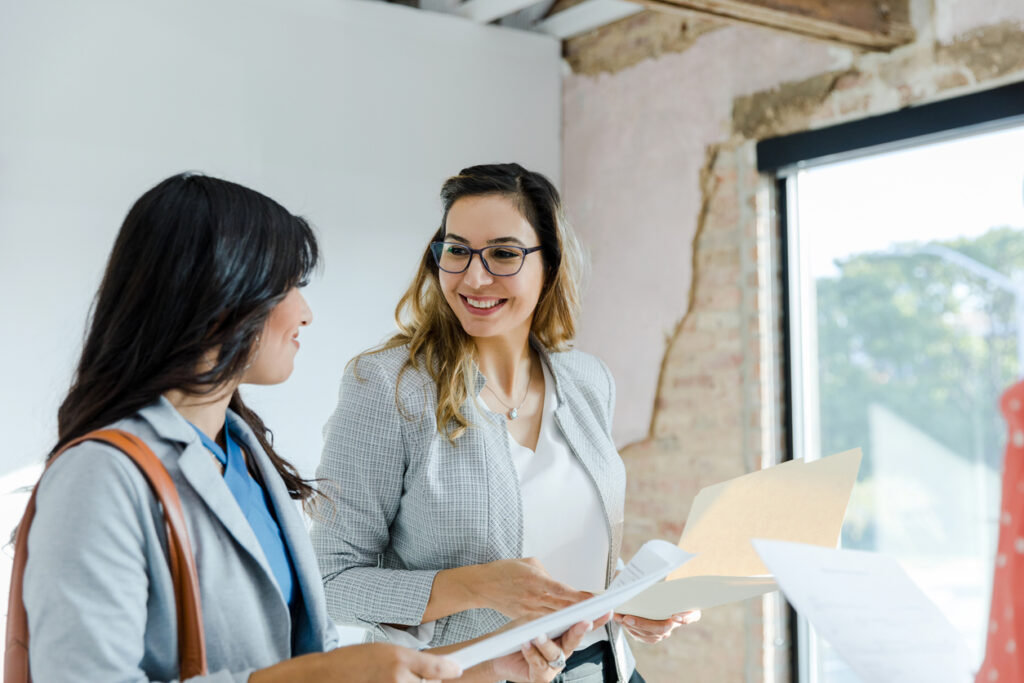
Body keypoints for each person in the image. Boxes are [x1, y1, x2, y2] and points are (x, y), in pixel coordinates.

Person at [20, 172, 599, 683]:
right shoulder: (97, 477)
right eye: (285, 286)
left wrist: (473, 668)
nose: (304, 311)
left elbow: (303, 654)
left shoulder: (244, 454)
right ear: (216, 295)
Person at [312, 163, 700, 683]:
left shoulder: (587, 380)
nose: (474, 277)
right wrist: (475, 586)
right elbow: (332, 582)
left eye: (503, 253)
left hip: (603, 670)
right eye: (457, 250)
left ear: (550, 263)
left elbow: (571, 541)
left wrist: (636, 599)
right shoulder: (387, 387)